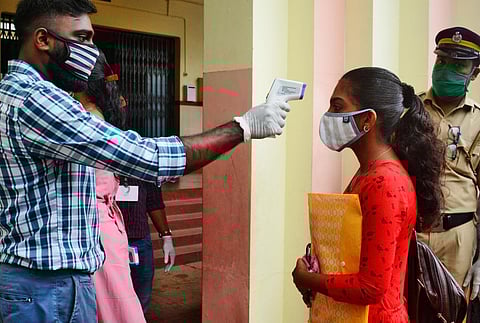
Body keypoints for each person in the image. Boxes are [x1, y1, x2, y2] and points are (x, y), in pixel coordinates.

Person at [0, 0, 290, 322]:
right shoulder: (36, 101)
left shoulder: (24, 95)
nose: (93, 51)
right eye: (82, 38)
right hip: (43, 288)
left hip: (51, 281)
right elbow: (146, 158)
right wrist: (243, 127)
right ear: (43, 40)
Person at [292, 67, 445, 322]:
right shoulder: (369, 172)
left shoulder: (385, 183)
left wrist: (308, 279)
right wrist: (316, 273)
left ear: (367, 120)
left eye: (337, 107)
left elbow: (371, 286)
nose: (328, 116)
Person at [74, 50, 146, 322]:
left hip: (96, 227)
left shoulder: (86, 121)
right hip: (107, 223)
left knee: (113, 306)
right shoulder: (102, 117)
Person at [416, 26, 480, 301]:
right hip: (413, 232)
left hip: (459, 237)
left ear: (474, 73)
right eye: (442, 61)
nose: (446, 70)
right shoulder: (411, 110)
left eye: (458, 65)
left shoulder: (479, 121)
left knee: (451, 313)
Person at [117, 174, 174, 313]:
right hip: (109, 242)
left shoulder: (144, 164)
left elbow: (154, 202)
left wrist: (166, 236)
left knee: (141, 297)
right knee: (112, 299)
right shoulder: (103, 165)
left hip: (139, 241)